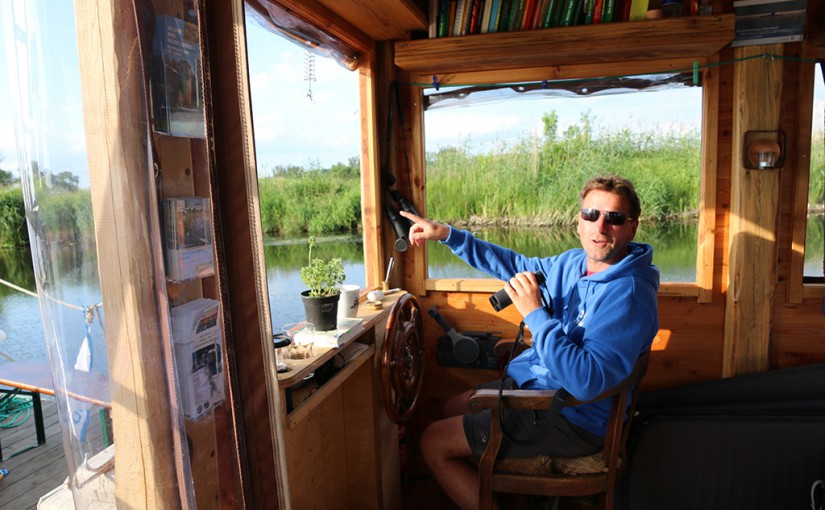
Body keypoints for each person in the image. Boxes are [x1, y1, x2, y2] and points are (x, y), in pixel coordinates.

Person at [399, 174, 659, 510]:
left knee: (433, 442)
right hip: (541, 391)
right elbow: (516, 266)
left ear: (632, 228)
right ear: (578, 221)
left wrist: (535, 314)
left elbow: (585, 383)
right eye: (591, 214)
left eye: (615, 218)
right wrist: (449, 235)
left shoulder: (629, 296)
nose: (600, 226)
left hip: (573, 418)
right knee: (450, 408)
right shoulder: (572, 263)